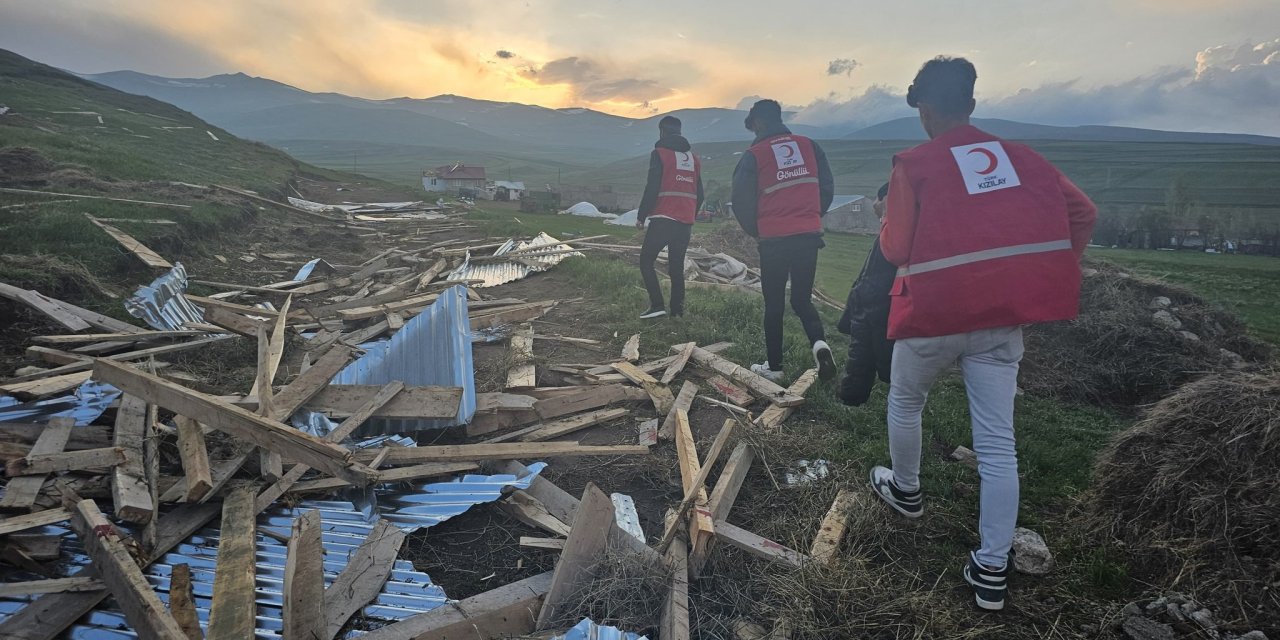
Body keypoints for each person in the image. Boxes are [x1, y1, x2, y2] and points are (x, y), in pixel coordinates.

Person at [868, 57, 1097, 611]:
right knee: (998, 444)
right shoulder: (1022, 159)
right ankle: (992, 568)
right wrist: (1040, 268)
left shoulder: (915, 163)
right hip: (999, 321)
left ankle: (906, 489)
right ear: (971, 104)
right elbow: (1083, 213)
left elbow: (896, 248)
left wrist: (886, 221)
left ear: (924, 110)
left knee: (906, 400)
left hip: (931, 316)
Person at [731, 99, 837, 382]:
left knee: (774, 303)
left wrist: (758, 229)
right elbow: (826, 187)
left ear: (759, 123)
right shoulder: (810, 147)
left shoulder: (754, 155)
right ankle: (819, 344)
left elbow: (740, 200)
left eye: (753, 127)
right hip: (808, 235)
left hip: (774, 240)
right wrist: (811, 216)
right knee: (802, 298)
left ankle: (775, 368)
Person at [637, 115, 703, 319]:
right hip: (685, 222)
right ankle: (677, 312)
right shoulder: (693, 159)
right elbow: (700, 194)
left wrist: (641, 215)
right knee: (676, 267)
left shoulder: (660, 154)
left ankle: (657, 305)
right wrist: (690, 212)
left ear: (662, 132)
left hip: (664, 218)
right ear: (680, 131)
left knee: (646, 260)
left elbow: (652, 186)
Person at [837, 182, 895, 406]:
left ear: (883, 200)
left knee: (862, 352)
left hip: (874, 300)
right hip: (887, 299)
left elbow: (872, 275)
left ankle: (852, 398)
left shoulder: (892, 227)